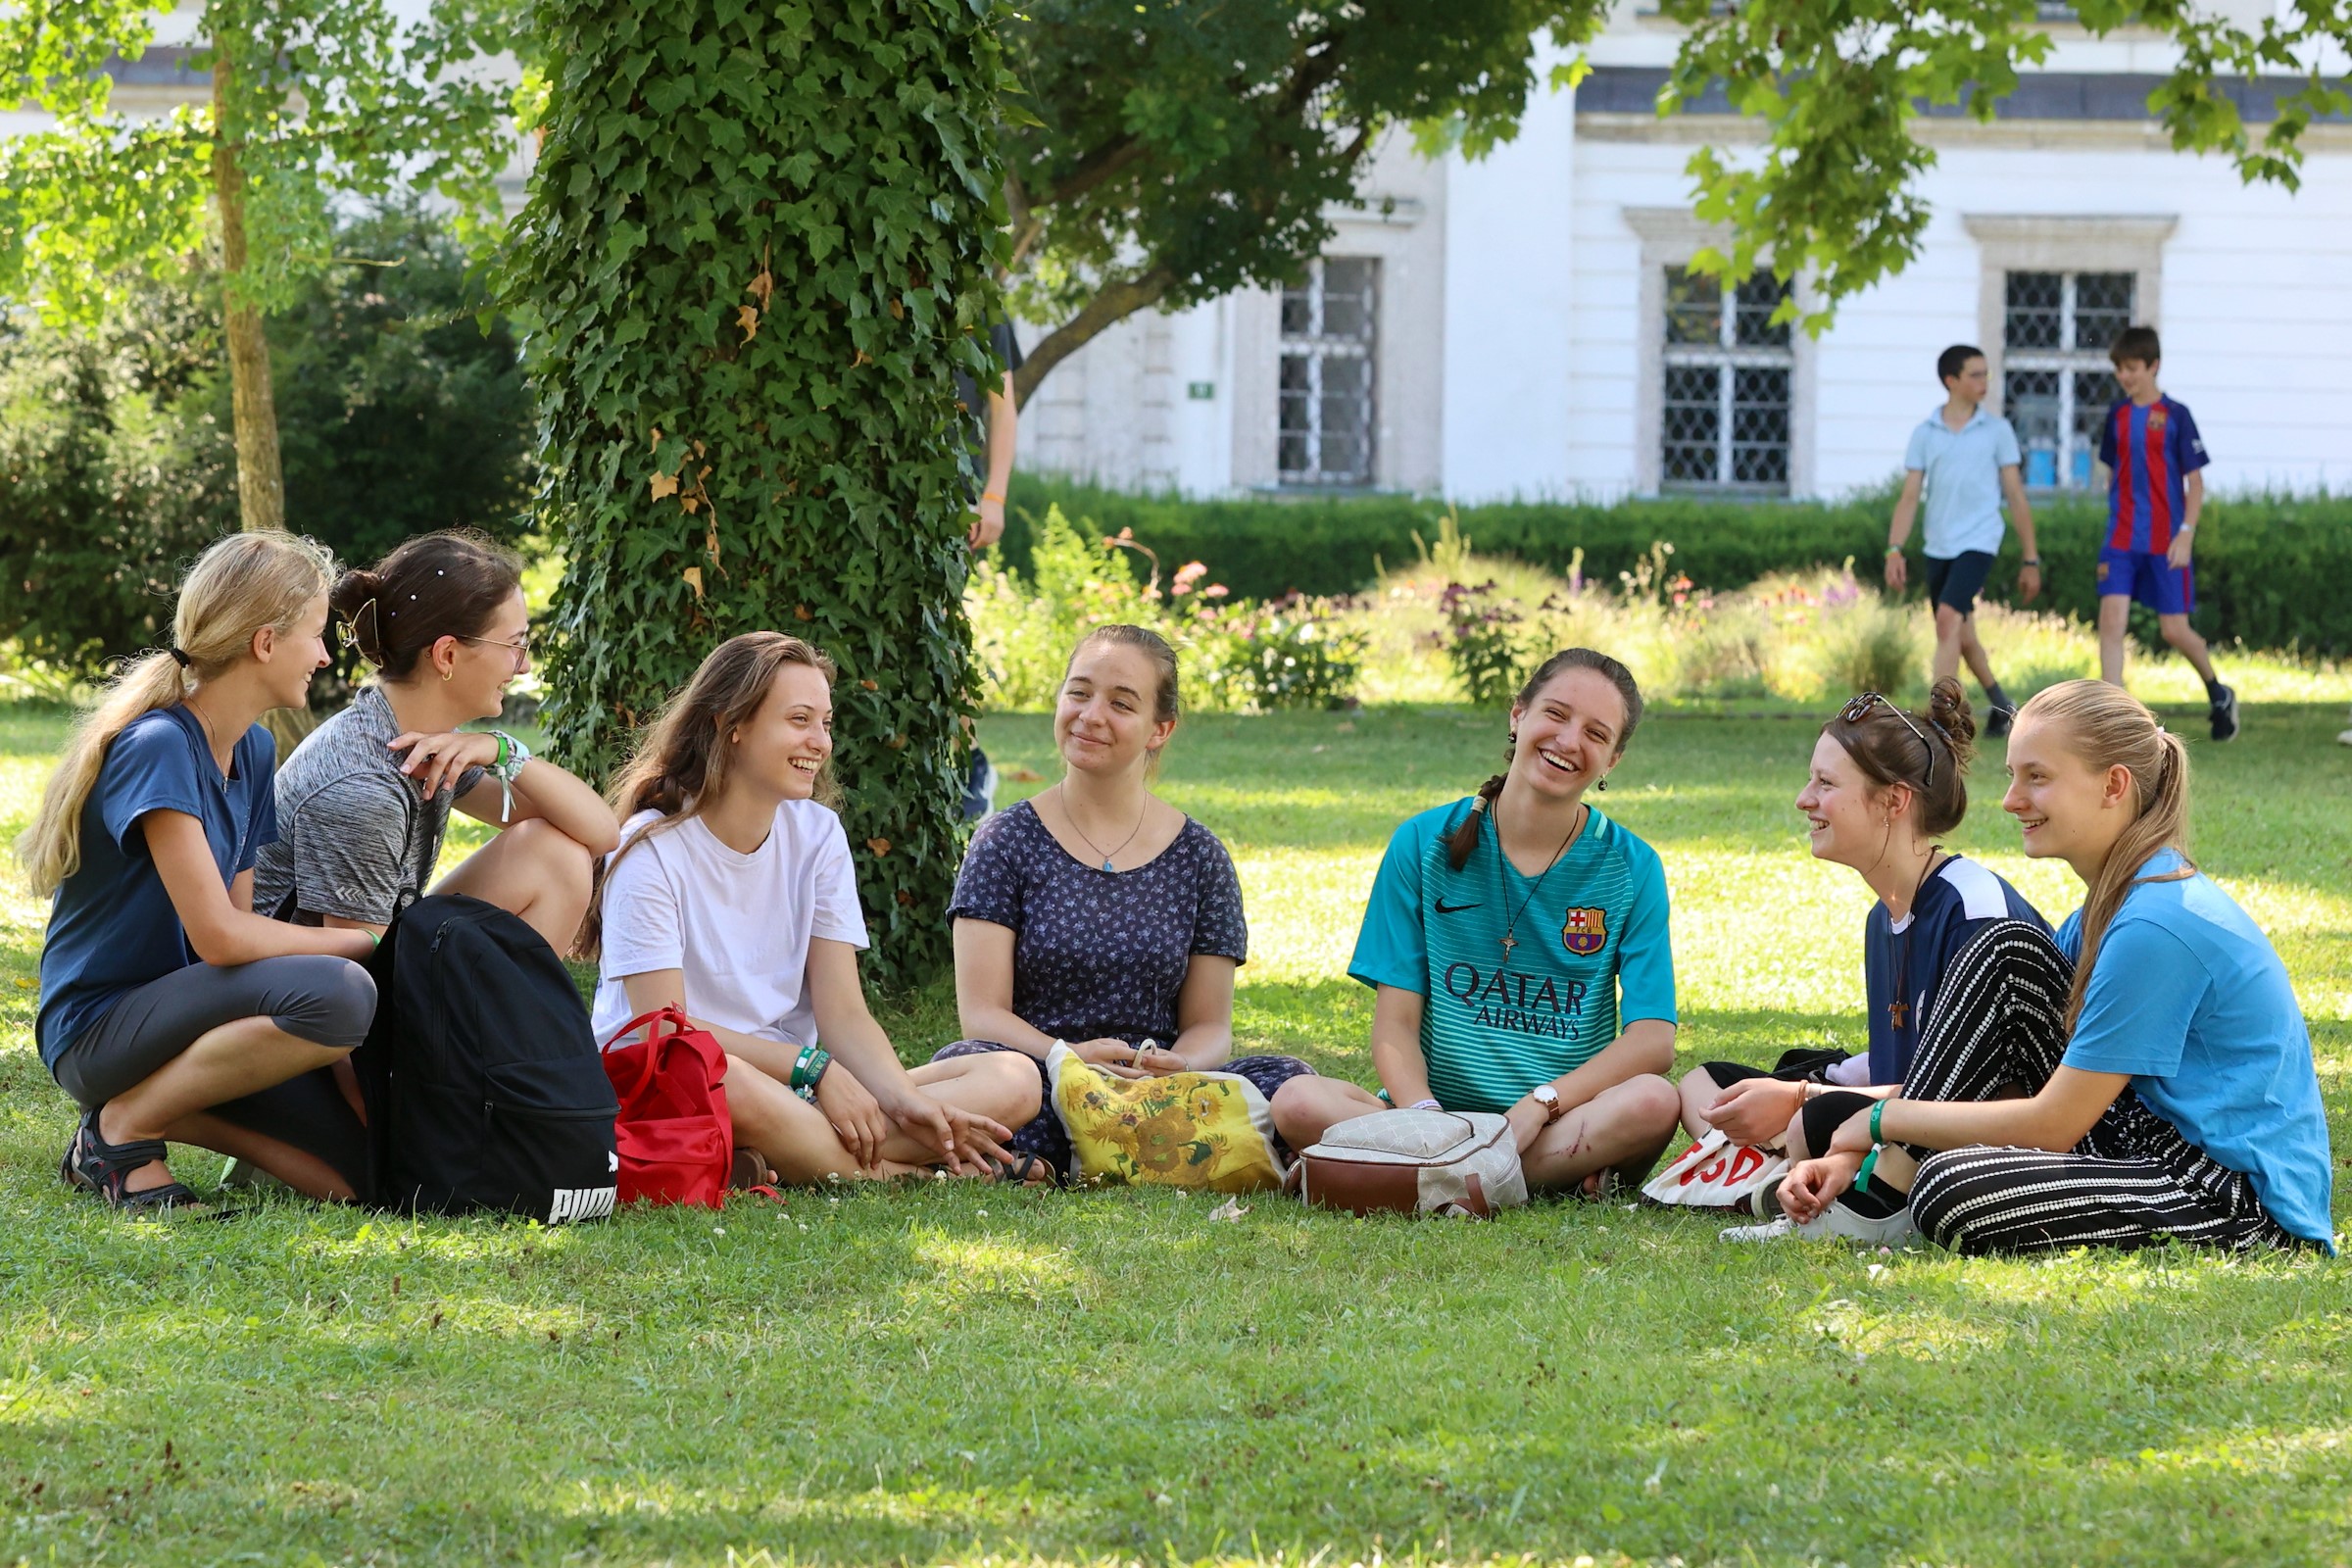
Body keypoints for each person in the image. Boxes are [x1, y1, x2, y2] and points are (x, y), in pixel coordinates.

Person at [1778, 679, 2333, 1254]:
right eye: (2013, 776)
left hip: (2233, 1201)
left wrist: (1880, 1122)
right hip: (2144, 1142)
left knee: (1949, 1185)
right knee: (2009, 955)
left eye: (2037, 777)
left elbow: (2055, 1123)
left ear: (2113, 785)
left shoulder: (2156, 925)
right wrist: (1848, 1138)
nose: (2011, 799)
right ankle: (1880, 1197)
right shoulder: (2107, 909)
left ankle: (1884, 1201)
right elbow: (1981, 1060)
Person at [587, 632, 1034, 1183]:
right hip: (681, 1079)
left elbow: (842, 1011)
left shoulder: (817, 833)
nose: (820, 742)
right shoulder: (650, 849)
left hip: (791, 1089)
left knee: (1015, 1079)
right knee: (730, 1080)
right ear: (734, 726)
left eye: (825, 723)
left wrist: (900, 1101)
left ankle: (776, 1153)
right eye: (799, 720)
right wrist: (813, 1068)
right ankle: (899, 1175)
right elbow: (665, 1025)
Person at [23, 532, 380, 1213]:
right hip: (100, 1028)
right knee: (342, 994)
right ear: (265, 642)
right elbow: (221, 938)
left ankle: (147, 1117)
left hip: (197, 1019)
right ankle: (122, 1129)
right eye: (314, 635)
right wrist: (365, 941)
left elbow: (239, 925)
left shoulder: (253, 747)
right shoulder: (159, 746)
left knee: (361, 1180)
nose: (325, 656)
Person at [1271, 649, 1684, 1195]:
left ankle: (1417, 1176)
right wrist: (1424, 1114)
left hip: (1553, 1123)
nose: (1568, 741)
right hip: (1432, 1120)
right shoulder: (1422, 843)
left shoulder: (1632, 866)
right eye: (1555, 714)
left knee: (1655, 1102)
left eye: (1595, 733)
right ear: (1518, 716)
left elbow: (1653, 1039)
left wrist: (1543, 1103)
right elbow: (1395, 1026)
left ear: (1612, 761)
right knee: (1297, 1101)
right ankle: (1504, 1178)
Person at [934, 624, 1320, 1182]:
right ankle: (1078, 1153)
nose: (1091, 715)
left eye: (1121, 703)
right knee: (975, 1075)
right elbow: (983, 1014)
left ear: (1160, 729)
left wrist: (1177, 1066)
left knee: (1286, 1079)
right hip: (1039, 1075)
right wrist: (1070, 1057)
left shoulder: (1200, 856)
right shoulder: (1004, 839)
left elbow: (1210, 1025)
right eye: (1078, 693)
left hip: (1160, 1087)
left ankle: (1048, 1163)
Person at [1678, 681, 2048, 1242]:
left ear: (1894, 801)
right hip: (1902, 1111)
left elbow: (1978, 1095)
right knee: (1704, 1084)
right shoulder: (1885, 918)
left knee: (1812, 1119)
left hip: (1981, 1138)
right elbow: (1906, 1067)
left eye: (1826, 783)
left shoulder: (1975, 915)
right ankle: (1790, 1168)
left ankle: (1825, 1185)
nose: (1805, 799)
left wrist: (1808, 1098)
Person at [256, 530, 619, 953]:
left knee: (554, 855)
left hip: (368, 970)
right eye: (514, 645)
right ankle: (509, 1015)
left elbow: (598, 833)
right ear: (447, 655)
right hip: (307, 996)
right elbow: (355, 973)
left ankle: (521, 1013)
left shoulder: (425, 742)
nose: (523, 666)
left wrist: (503, 749)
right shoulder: (362, 785)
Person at [1884, 345, 2043, 737]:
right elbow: (1909, 498)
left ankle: (1939, 722)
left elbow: (2016, 497)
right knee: (1962, 633)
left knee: (1946, 620)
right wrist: (1894, 549)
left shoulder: (1997, 431)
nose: (1984, 382)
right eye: (1975, 374)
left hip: (1980, 541)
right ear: (1950, 381)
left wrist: (2030, 558)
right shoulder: (1925, 433)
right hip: (1938, 545)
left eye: (1986, 374)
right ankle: (2004, 707)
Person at [2096, 325, 2237, 741]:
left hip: (2166, 541)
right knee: (2111, 622)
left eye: (2133, 367)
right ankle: (2111, 719)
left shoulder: (2177, 416)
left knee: (2174, 629)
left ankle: (2219, 692)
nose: (2125, 376)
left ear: (2154, 366)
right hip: (2120, 539)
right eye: (2120, 368)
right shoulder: (2116, 417)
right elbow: (2113, 473)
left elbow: (2195, 483)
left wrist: (2186, 533)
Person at [956, 320, 1022, 821]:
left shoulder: (983, 301)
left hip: (954, 499)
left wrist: (994, 495)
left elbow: (1001, 405)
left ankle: (969, 761)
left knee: (947, 632)